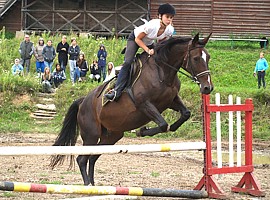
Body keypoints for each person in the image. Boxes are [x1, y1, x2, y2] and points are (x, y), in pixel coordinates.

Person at [105, 3, 175, 101]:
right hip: (135, 39)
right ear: (160, 16)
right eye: (167, 17)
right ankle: (116, 90)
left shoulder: (170, 30)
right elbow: (138, 39)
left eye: (171, 18)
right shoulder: (152, 25)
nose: (169, 20)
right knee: (128, 62)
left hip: (149, 41)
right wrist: (147, 50)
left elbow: (162, 41)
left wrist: (156, 49)